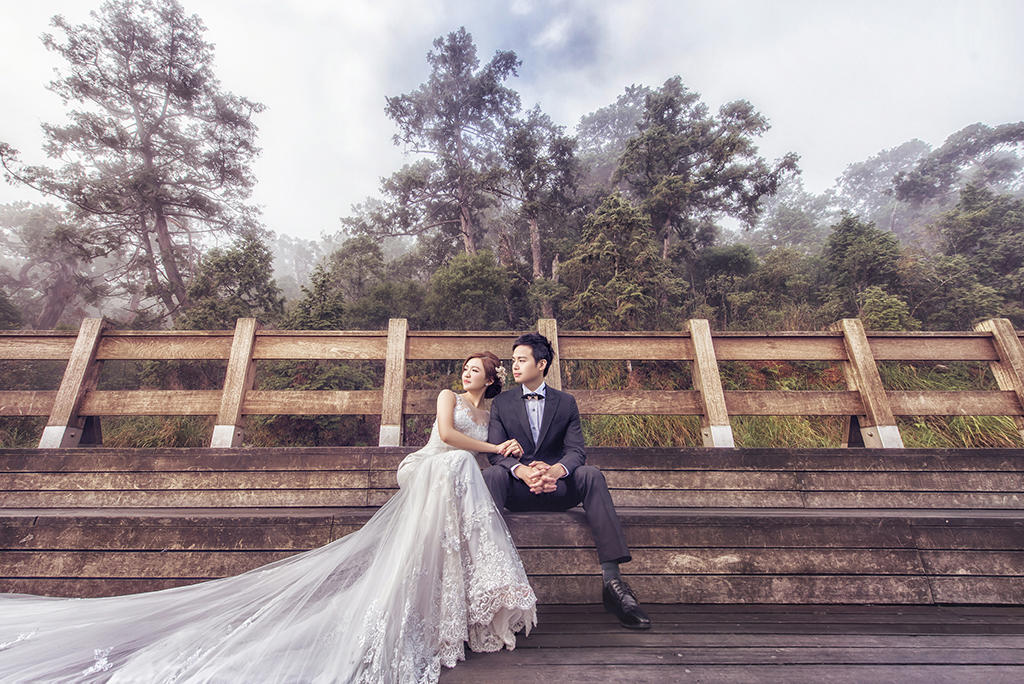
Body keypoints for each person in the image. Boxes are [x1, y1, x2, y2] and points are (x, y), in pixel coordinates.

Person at [0, 352, 536, 683]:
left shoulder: (495, 412)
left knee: (465, 470)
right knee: (459, 465)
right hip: (425, 468)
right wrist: (488, 452)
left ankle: (468, 599)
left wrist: (510, 451)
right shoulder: (448, 397)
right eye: (465, 369)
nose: (467, 376)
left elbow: (493, 446)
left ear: (489, 382)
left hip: (457, 476)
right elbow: (444, 438)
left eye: (476, 373)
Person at [484, 332, 651, 630]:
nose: (515, 366)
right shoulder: (502, 403)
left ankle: (614, 584)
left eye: (522, 360)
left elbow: (576, 451)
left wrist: (554, 472)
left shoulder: (565, 403)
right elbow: (497, 453)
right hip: (516, 489)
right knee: (492, 475)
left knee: (591, 474)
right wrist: (522, 471)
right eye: (513, 361)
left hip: (556, 487)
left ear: (542, 364)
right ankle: (486, 579)